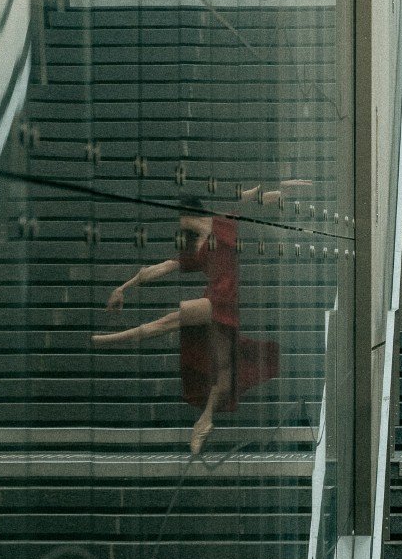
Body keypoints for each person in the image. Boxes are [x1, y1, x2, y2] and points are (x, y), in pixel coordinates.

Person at [93, 187, 299, 454]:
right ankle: (206, 419)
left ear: (185, 213)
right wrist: (124, 287)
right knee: (223, 370)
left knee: (170, 321)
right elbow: (159, 268)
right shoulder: (195, 244)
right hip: (215, 300)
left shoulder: (222, 222)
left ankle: (104, 340)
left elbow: (249, 199)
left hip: (222, 300)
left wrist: (283, 191)